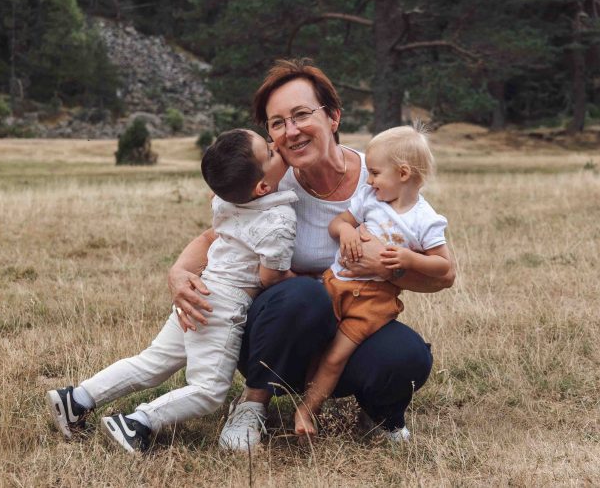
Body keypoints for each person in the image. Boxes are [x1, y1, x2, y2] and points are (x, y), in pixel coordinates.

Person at [167, 59, 456, 452]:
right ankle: (253, 403)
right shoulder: (267, 180)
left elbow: (441, 275)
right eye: (277, 122)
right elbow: (217, 235)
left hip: (348, 322)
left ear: (333, 117)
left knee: (406, 356)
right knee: (303, 293)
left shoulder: (378, 179)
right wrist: (180, 271)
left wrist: (385, 270)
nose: (291, 131)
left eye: (302, 114)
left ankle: (378, 412)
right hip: (276, 334)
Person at [45, 128, 297, 453]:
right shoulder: (278, 219)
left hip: (200, 290)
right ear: (262, 186)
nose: (277, 145)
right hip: (220, 308)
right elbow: (270, 276)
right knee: (208, 391)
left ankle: (77, 398)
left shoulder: (226, 199)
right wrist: (296, 275)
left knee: (152, 361)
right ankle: (139, 422)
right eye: (270, 151)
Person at [293, 126, 452, 438]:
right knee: (313, 343)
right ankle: (289, 396)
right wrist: (348, 231)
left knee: (336, 356)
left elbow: (443, 266)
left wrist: (409, 260)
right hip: (335, 283)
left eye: (375, 173)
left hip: (372, 302)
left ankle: (307, 410)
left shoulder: (425, 219)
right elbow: (338, 223)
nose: (368, 180)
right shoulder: (370, 199)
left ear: (403, 173)